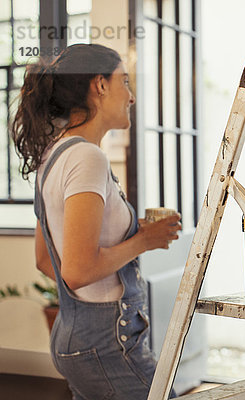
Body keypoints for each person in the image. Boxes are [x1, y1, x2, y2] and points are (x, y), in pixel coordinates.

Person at [11, 44, 180, 399]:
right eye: (126, 82)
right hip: (106, 344)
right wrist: (144, 240)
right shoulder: (87, 158)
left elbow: (46, 260)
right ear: (100, 86)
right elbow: (76, 270)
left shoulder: (53, 155)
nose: (131, 97)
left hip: (78, 339)